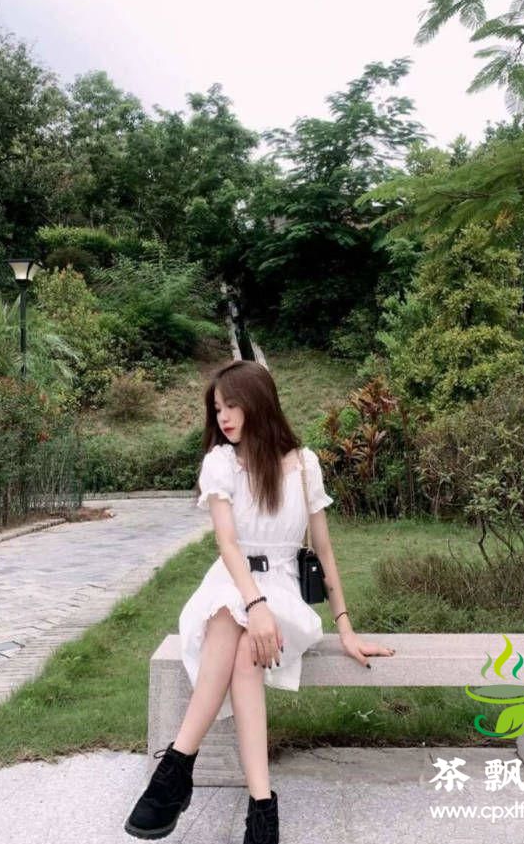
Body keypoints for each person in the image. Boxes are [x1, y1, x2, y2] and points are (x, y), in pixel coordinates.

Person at [124, 360, 395, 843]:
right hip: (231, 583)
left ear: (258, 402)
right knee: (235, 623)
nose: (224, 417)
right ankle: (261, 806)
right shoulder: (221, 462)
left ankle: (176, 771)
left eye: (232, 405)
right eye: (217, 409)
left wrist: (346, 628)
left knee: (243, 638)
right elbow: (228, 546)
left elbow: (324, 550)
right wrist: (255, 605)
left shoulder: (304, 465)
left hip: (283, 590)